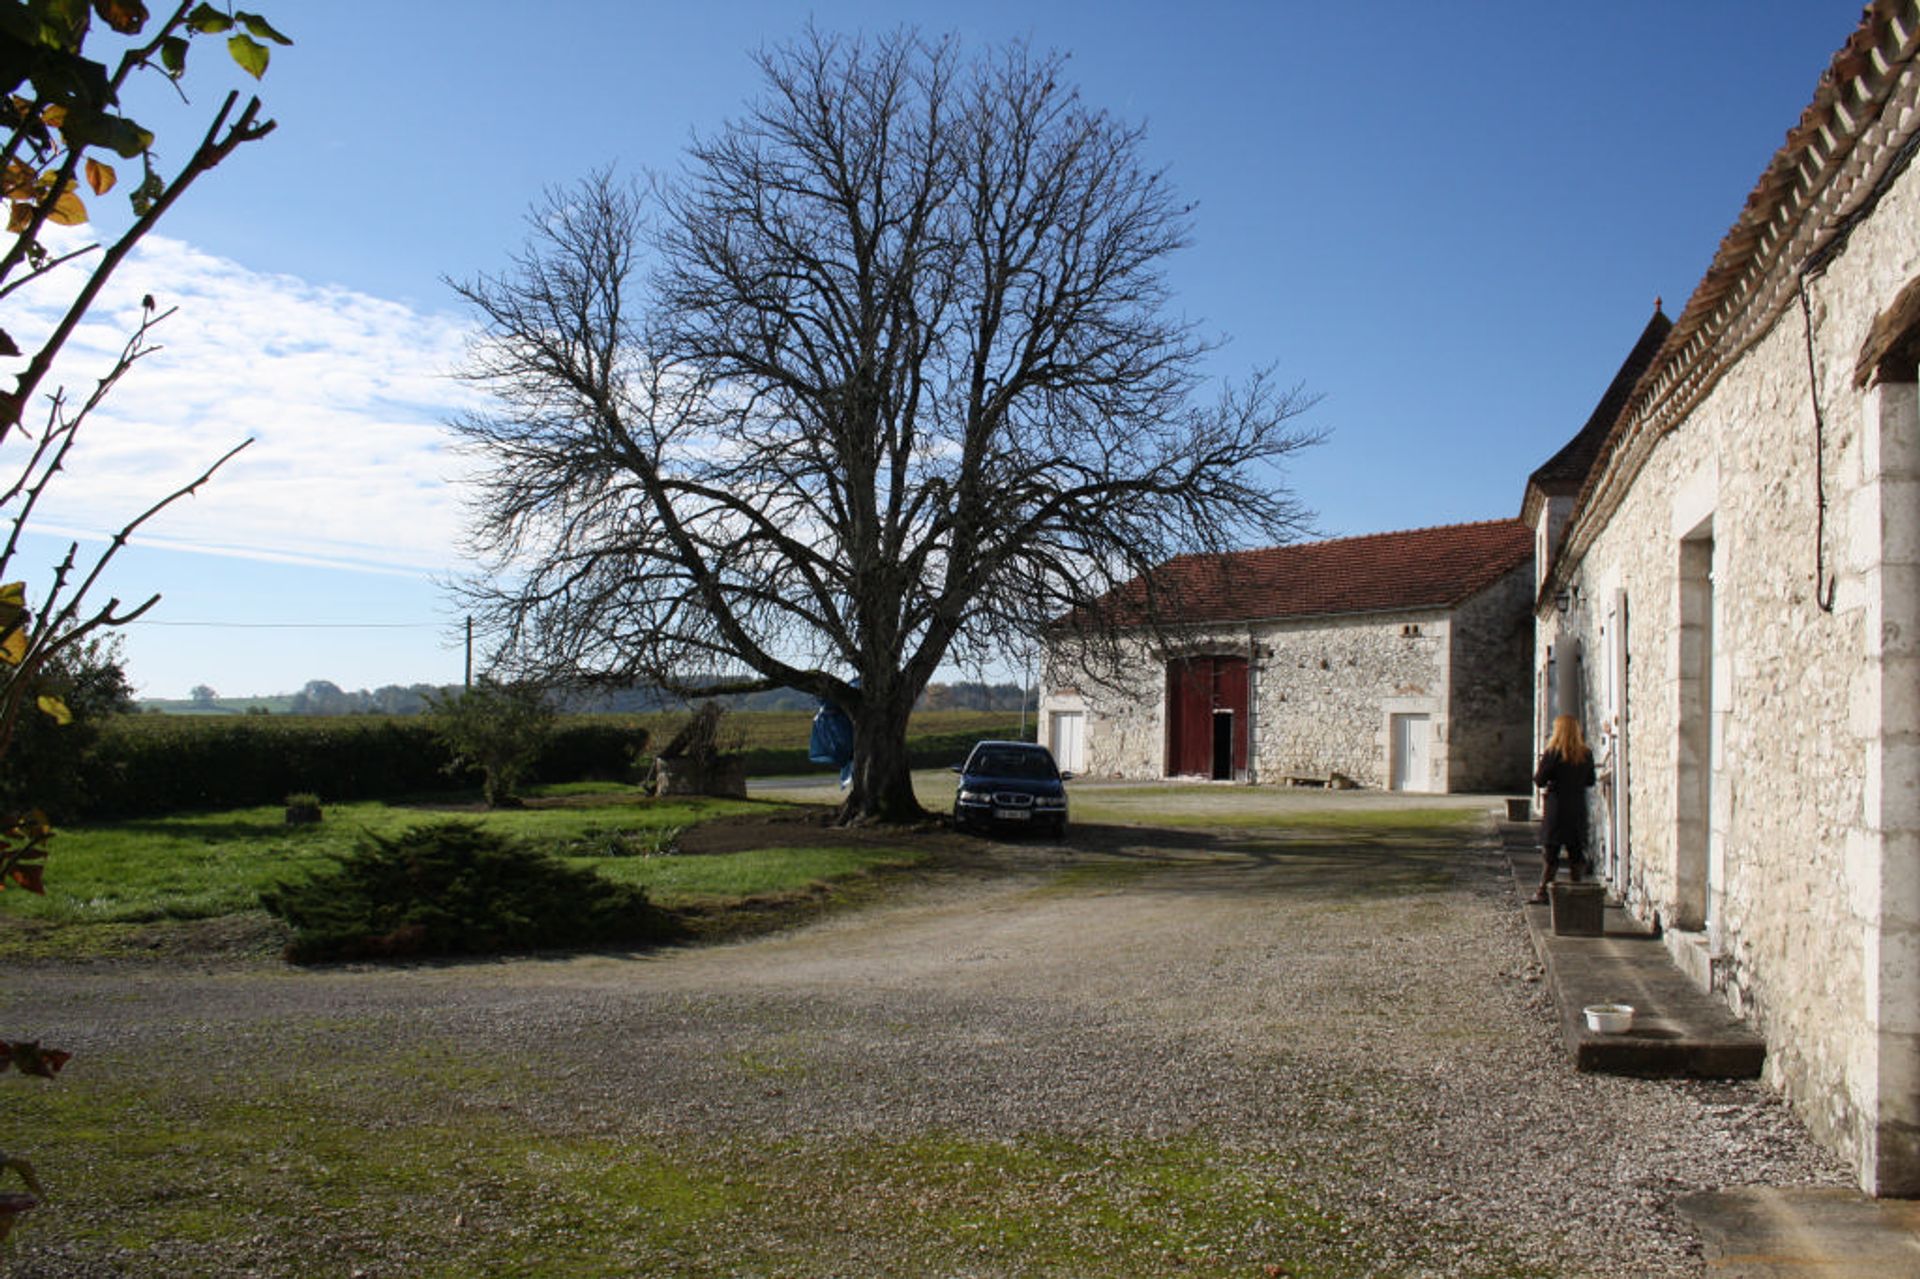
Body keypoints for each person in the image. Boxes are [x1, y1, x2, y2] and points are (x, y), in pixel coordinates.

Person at [1531, 714, 1597, 904]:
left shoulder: (1553, 753)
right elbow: (1590, 780)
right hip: (1576, 805)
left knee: (1551, 850)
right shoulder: (1586, 754)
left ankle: (1543, 890)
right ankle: (1576, 891)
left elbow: (1539, 780)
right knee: (1575, 850)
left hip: (1557, 806)